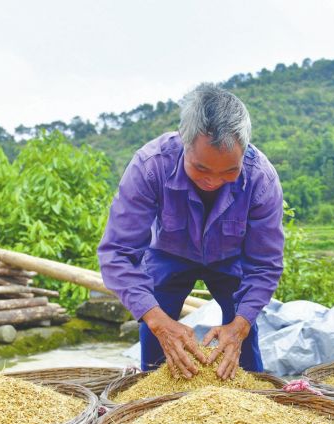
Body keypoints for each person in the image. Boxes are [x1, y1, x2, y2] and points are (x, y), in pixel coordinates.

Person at [98, 83, 284, 380]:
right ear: (184, 142)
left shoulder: (261, 179)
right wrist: (158, 321)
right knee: (156, 334)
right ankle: (154, 407)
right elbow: (117, 253)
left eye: (229, 172)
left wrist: (240, 325)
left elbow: (265, 264)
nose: (213, 181)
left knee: (243, 338)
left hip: (230, 256)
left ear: (244, 152)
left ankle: (253, 400)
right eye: (201, 169)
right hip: (170, 252)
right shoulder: (151, 166)